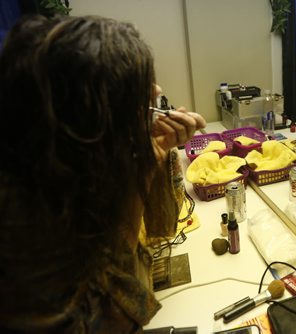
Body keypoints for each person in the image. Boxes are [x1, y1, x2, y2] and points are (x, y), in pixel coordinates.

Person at [0, 14, 206, 332]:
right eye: (136, 96)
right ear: (87, 126)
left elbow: (124, 256)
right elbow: (115, 313)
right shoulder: (28, 244)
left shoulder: (55, 179)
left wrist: (145, 165)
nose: (156, 92)